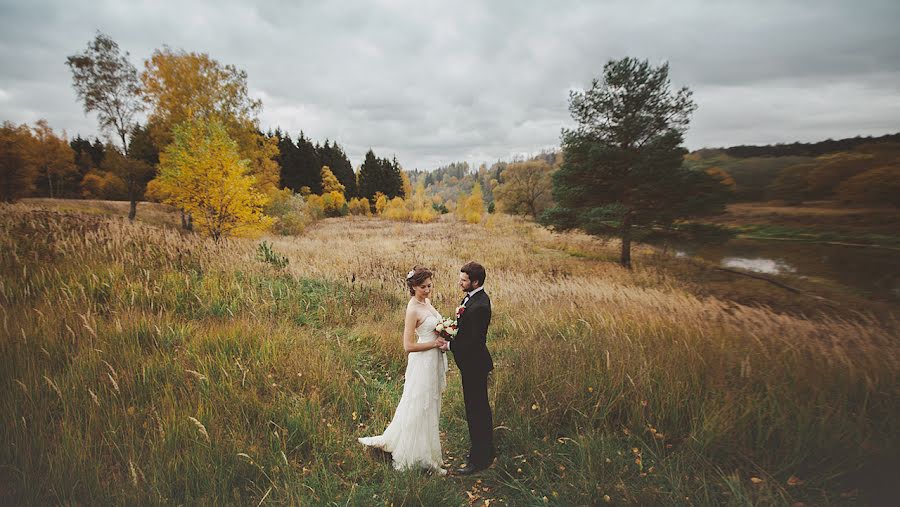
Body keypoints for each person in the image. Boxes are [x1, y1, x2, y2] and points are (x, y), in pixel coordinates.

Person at [358, 266, 449, 475]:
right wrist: (434, 344)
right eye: (423, 287)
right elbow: (408, 346)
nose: (427, 290)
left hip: (433, 360)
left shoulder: (425, 302)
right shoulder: (412, 309)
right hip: (422, 361)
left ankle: (428, 451)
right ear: (413, 287)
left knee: (431, 403)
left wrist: (446, 331)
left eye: (429, 285)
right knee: (420, 404)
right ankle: (415, 454)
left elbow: (437, 324)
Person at [440, 261, 495, 475]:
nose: (460, 282)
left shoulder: (481, 305)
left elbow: (475, 341)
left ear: (475, 281)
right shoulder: (472, 298)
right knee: (476, 408)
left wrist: (450, 344)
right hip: (471, 364)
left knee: (477, 410)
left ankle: (480, 460)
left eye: (464, 280)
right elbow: (466, 329)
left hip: (475, 365)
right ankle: (485, 451)